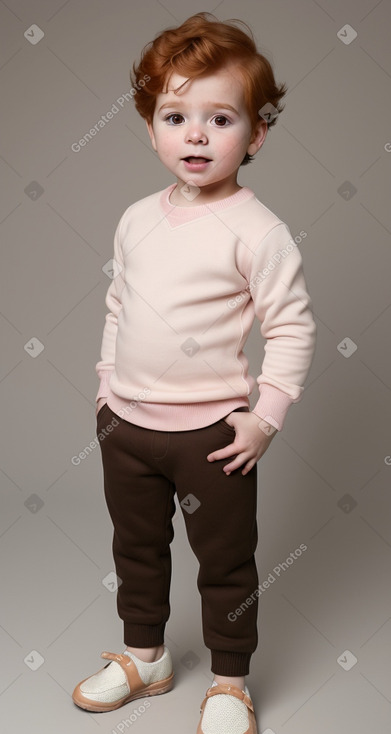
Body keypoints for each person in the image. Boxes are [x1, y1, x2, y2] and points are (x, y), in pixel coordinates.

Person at [72, 11, 317, 734]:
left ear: (256, 134)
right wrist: (105, 390)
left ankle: (230, 681)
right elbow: (119, 304)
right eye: (176, 116)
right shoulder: (136, 218)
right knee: (136, 549)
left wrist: (264, 415)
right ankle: (144, 656)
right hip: (127, 428)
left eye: (220, 118)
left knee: (225, 564)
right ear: (151, 128)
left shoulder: (257, 231)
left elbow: (291, 326)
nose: (197, 135)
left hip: (212, 437)